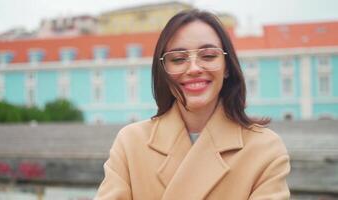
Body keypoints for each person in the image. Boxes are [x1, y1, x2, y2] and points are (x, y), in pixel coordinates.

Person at [94, 9, 290, 200]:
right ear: (163, 70)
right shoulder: (131, 143)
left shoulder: (265, 149)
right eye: (178, 59)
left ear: (227, 67)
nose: (194, 68)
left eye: (208, 56)